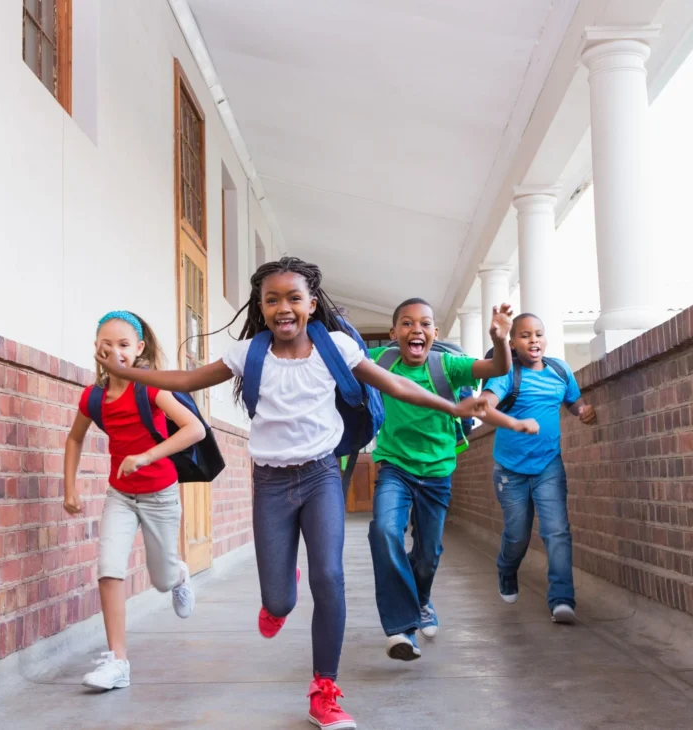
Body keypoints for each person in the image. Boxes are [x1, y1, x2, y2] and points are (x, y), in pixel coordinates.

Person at [95, 258, 488, 730]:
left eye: (294, 298)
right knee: (278, 602)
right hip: (271, 483)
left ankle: (325, 691)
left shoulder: (336, 346)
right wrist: (131, 374)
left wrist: (452, 404)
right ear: (261, 309)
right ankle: (281, 594)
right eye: (273, 299)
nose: (284, 308)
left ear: (312, 304)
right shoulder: (249, 353)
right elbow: (185, 381)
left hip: (321, 475)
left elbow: (397, 383)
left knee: (330, 576)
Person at [366, 298, 516, 660]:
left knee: (428, 554)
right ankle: (401, 630)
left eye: (425, 323)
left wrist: (500, 338)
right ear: (393, 334)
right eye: (406, 323)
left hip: (436, 472)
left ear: (435, 333)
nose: (416, 329)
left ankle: (422, 601)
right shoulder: (379, 363)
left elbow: (497, 366)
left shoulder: (447, 365)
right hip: (394, 466)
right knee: (385, 531)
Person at [63, 311, 206, 691]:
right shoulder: (93, 397)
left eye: (124, 345)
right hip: (120, 496)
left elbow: (195, 429)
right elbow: (74, 438)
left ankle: (178, 574)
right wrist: (70, 488)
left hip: (160, 495)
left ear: (139, 349)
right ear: (96, 348)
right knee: (109, 569)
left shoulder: (152, 389)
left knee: (160, 581)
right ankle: (118, 661)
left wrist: (146, 456)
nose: (115, 352)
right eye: (106, 345)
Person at [478, 313, 596, 624]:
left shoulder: (560, 370)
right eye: (525, 336)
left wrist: (584, 411)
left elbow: (574, 401)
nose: (534, 341)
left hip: (548, 466)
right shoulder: (506, 373)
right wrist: (491, 406)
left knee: (556, 531)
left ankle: (562, 600)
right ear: (513, 343)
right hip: (510, 469)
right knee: (517, 535)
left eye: (539, 334)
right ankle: (506, 568)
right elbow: (486, 404)